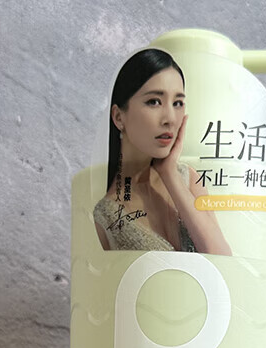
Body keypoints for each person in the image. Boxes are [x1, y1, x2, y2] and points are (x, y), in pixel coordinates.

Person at [93, 49, 232, 256]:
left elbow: (222, 260)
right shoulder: (105, 216)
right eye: (154, 102)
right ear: (119, 117)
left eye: (177, 103)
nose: (170, 119)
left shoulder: (188, 178)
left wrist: (169, 173)